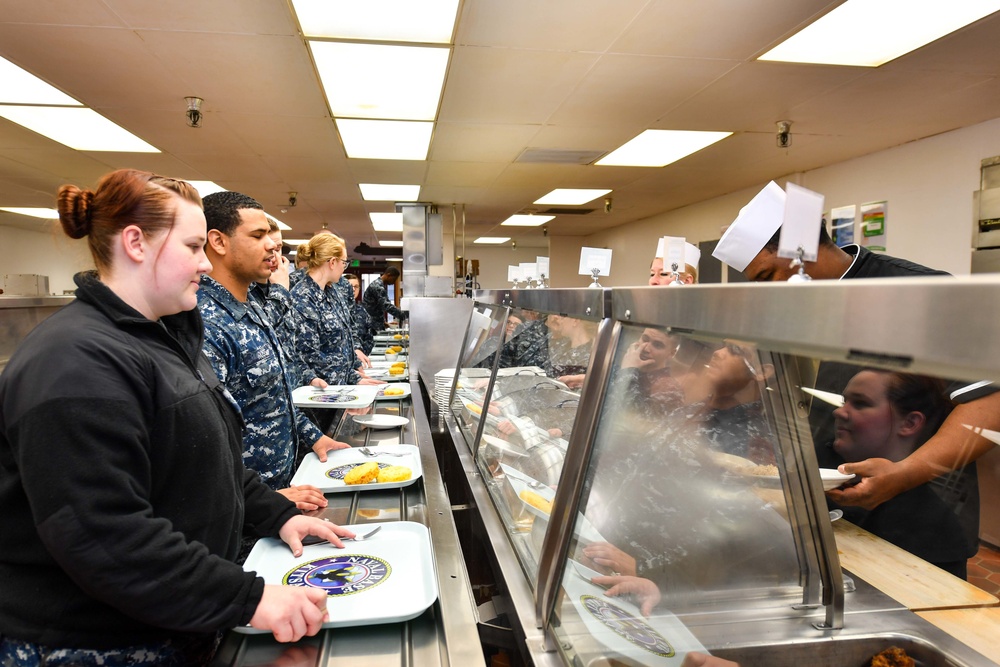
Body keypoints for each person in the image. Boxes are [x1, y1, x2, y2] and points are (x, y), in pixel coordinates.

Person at [0, 169, 354, 665]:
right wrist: (246, 598)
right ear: (136, 244)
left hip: (169, 616)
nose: (205, 266)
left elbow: (213, 460)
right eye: (191, 247)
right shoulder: (74, 360)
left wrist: (277, 515)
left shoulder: (163, 338)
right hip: (93, 644)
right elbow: (102, 534)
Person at [711, 184, 994, 525]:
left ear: (802, 252)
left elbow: (989, 403)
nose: (767, 290)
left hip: (915, 519)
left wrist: (904, 474)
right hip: (827, 511)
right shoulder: (803, 305)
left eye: (768, 275)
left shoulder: (918, 292)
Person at [198, 191, 349, 517]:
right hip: (244, 509)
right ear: (219, 242)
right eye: (258, 235)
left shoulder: (252, 306)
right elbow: (209, 443)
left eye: (271, 234)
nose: (273, 245)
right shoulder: (206, 322)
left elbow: (273, 395)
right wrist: (264, 502)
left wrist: (315, 437)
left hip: (279, 495)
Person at [831, 369, 972, 578]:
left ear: (910, 423)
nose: (838, 412)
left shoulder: (933, 529)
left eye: (860, 403)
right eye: (844, 402)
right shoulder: (821, 464)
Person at [285, 234, 384, 388]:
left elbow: (343, 341)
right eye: (344, 263)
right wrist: (349, 379)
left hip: (340, 385)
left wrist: (352, 376)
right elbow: (308, 357)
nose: (345, 268)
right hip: (321, 391)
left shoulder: (333, 291)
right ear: (332, 262)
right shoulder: (303, 297)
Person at [363, 266, 407, 332]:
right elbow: (386, 305)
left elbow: (378, 307)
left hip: (374, 322)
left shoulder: (380, 285)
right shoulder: (378, 286)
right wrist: (403, 315)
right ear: (388, 275)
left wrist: (383, 323)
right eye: (394, 279)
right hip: (371, 324)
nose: (393, 282)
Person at [346, 273, 374, 355]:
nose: (353, 289)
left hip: (360, 361)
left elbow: (369, 338)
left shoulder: (362, 310)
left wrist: (362, 356)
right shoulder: (335, 309)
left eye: (356, 286)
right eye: (350, 286)